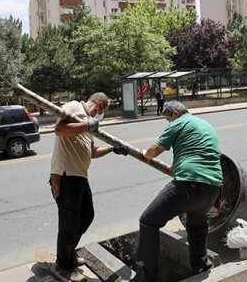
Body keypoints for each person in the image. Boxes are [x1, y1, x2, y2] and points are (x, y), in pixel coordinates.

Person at [133, 100, 223, 282]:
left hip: (189, 184)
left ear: (174, 113)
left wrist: (145, 155)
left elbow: (153, 151)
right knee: (196, 226)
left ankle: (146, 277)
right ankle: (201, 268)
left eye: (168, 119)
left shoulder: (179, 122)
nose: (169, 123)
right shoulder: (203, 124)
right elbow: (181, 161)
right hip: (213, 187)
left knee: (148, 221)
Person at [49, 92, 128, 282]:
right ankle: (63, 266)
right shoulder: (76, 107)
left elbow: (91, 152)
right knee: (70, 224)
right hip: (66, 176)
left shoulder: (88, 121)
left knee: (87, 216)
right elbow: (59, 129)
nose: (102, 115)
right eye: (105, 111)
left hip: (80, 177)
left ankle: (68, 254)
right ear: (100, 104)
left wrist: (111, 149)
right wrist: (87, 125)